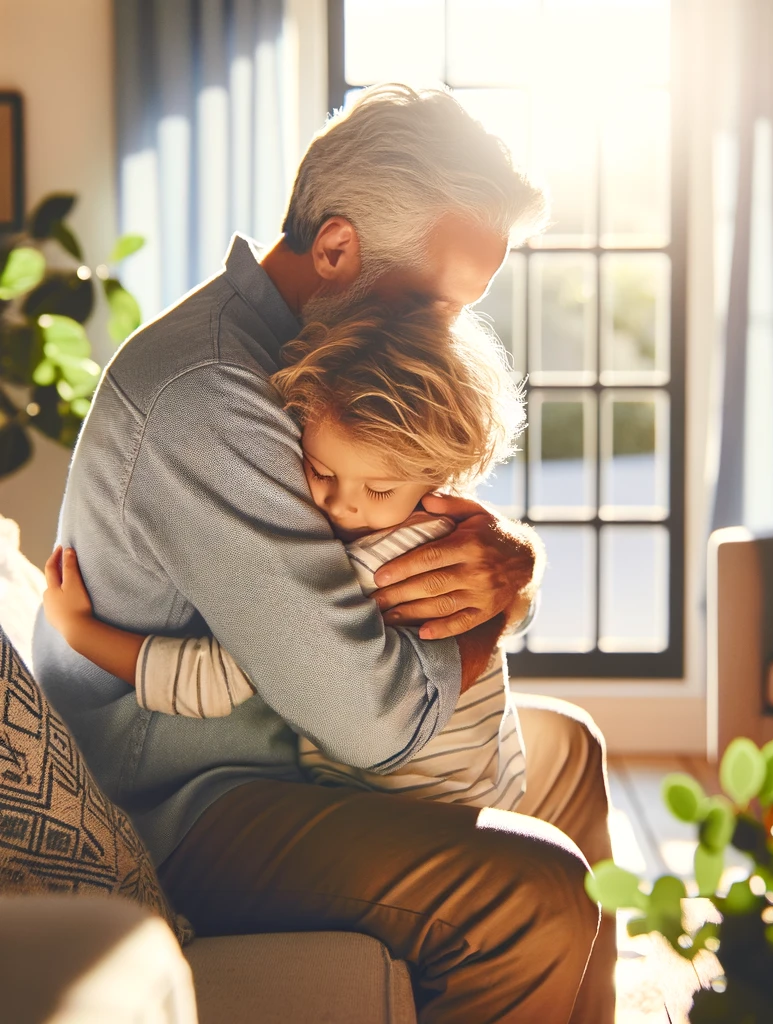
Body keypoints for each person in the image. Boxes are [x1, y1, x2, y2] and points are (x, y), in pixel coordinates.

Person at [33, 84, 615, 1023]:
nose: (443, 335)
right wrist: (488, 625)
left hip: (279, 748)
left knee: (568, 751)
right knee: (533, 889)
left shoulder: (330, 370)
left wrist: (510, 565)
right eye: (433, 300)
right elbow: (375, 721)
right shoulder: (213, 395)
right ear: (336, 248)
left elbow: (422, 553)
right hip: (188, 796)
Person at [43, 299, 531, 810]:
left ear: (439, 474)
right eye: (320, 472)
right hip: (495, 774)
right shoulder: (458, 528)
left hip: (409, 805)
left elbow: (210, 680)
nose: (340, 504)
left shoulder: (374, 567)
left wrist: (79, 631)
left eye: (379, 490)